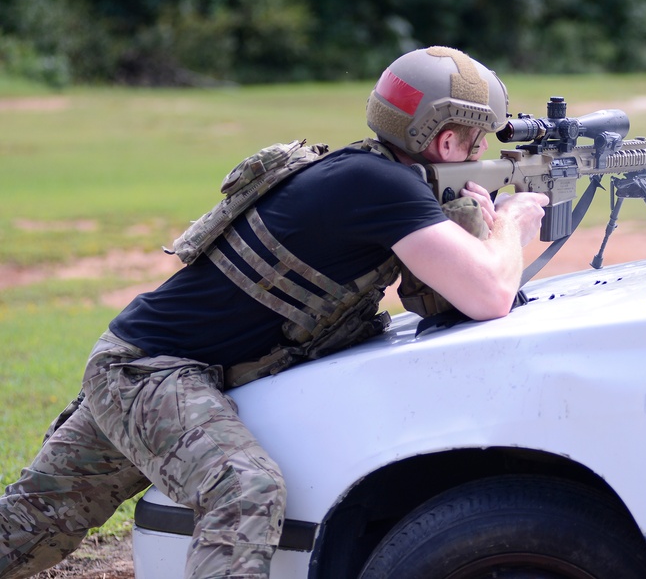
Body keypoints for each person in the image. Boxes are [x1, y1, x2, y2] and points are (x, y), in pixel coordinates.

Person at [0, 46, 548, 579]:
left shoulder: (369, 174)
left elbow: (439, 302)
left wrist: (470, 219)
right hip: (150, 373)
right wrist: (509, 223)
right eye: (477, 140)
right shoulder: (383, 185)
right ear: (446, 137)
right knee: (244, 490)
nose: (480, 153)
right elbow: (489, 296)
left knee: (26, 526)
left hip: (155, 366)